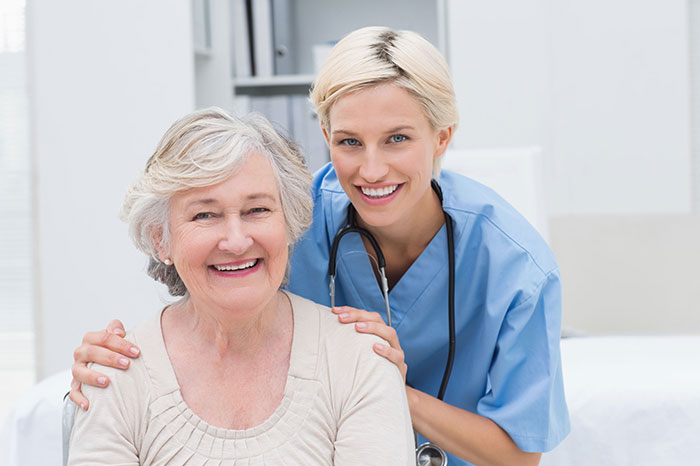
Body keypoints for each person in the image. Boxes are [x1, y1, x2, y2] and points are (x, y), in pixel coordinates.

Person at [70, 27, 569, 465]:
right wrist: (118, 362)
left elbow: (518, 455)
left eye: (397, 138)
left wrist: (384, 382)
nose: (371, 170)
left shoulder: (516, 267)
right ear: (326, 135)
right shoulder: (287, 217)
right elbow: (210, 292)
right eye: (349, 142)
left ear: (442, 138)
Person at [66, 108, 415, 465]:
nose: (235, 241)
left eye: (257, 210)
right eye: (205, 215)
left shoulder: (358, 361)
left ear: (289, 221)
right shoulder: (115, 374)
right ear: (161, 239)